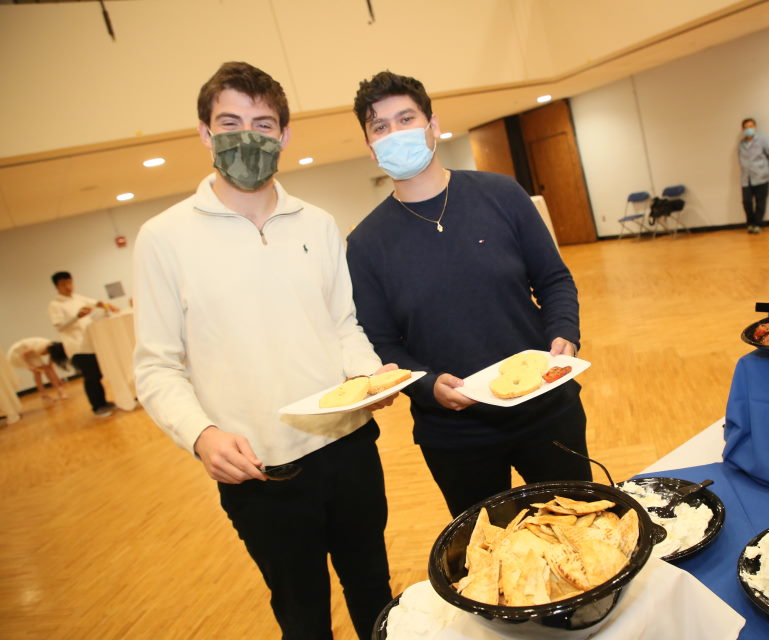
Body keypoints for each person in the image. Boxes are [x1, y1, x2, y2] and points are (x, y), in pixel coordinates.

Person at [132, 61, 394, 640]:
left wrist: (370, 375)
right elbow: (155, 366)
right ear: (204, 133)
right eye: (230, 122)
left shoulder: (319, 223)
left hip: (347, 447)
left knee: (375, 593)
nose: (248, 136)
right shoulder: (164, 238)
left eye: (264, 122)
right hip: (260, 472)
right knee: (301, 614)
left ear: (284, 135)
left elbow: (343, 324)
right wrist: (201, 434)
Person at [347, 71, 593, 519]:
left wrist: (564, 333)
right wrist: (425, 385)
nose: (395, 133)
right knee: (489, 560)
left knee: (582, 529)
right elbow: (383, 342)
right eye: (380, 127)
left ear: (433, 125)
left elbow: (554, 279)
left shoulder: (500, 194)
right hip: (455, 435)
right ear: (370, 146)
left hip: (545, 407)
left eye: (406, 118)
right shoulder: (365, 244)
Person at [48, 271, 118, 416]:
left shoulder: (78, 298)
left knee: (97, 374)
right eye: (63, 284)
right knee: (91, 375)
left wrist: (108, 306)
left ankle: (103, 402)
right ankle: (97, 407)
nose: (68, 286)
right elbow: (59, 325)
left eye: (69, 282)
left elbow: (96, 303)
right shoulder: (55, 305)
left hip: (90, 342)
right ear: (57, 287)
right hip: (76, 346)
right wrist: (76, 317)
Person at [738, 117, 769, 234]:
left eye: (751, 127)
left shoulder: (763, 140)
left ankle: (758, 225)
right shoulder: (741, 144)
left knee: (760, 203)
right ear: (743, 129)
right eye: (746, 127)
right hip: (746, 178)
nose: (749, 129)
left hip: (761, 177)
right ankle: (750, 223)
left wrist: (767, 171)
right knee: (747, 202)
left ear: (755, 127)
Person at [7, 337, 69, 402]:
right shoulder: (40, 348)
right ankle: (44, 396)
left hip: (28, 352)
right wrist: (29, 366)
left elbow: (50, 367)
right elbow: (22, 354)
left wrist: (58, 380)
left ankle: (60, 391)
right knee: (37, 372)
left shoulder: (52, 348)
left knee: (45, 369)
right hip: (17, 352)